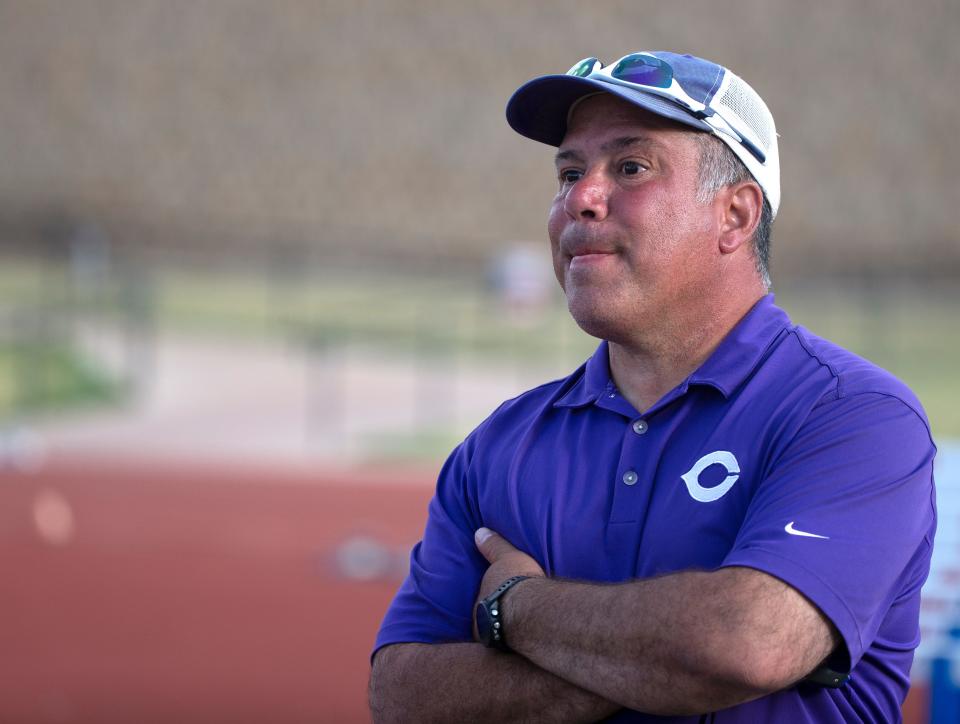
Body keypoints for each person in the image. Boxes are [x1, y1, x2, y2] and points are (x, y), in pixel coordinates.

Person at [368, 50, 937, 723]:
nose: (581, 196)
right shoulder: (500, 445)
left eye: (631, 167)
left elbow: (744, 643)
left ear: (736, 215)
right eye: (570, 172)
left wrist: (512, 607)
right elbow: (402, 698)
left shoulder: (853, 416)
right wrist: (653, 660)